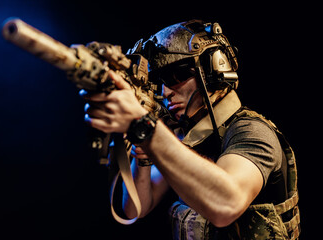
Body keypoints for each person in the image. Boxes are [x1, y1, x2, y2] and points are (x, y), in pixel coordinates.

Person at [83, 19, 300, 239]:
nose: (165, 92)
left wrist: (144, 127)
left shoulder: (251, 131)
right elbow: (135, 208)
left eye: (175, 76)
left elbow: (226, 204)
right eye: (160, 81)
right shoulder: (185, 134)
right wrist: (144, 155)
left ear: (213, 70)